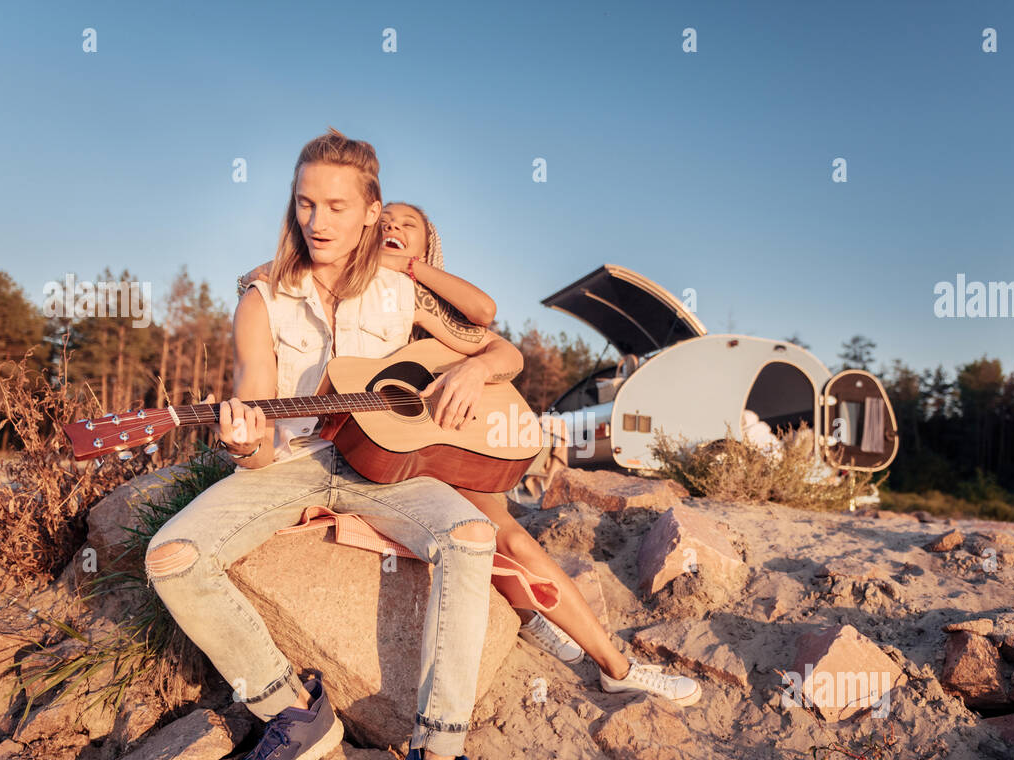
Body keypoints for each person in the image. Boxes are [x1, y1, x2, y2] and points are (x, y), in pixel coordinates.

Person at [147, 129, 524, 760]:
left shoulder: (403, 291)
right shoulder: (261, 298)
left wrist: (472, 376)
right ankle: (291, 710)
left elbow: (502, 347)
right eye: (305, 203)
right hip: (292, 463)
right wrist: (244, 441)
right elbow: (255, 417)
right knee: (173, 557)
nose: (317, 221)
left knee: (471, 538)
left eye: (336, 206)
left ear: (371, 213)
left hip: (386, 467)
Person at [239, 203, 701, 707]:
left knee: (513, 539)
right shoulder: (346, 293)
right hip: (372, 455)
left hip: (440, 447)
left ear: (427, 247)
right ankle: (530, 617)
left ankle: (616, 665)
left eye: (406, 225)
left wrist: (473, 370)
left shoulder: (420, 302)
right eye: (384, 221)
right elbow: (260, 279)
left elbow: (498, 338)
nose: (392, 227)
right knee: (499, 540)